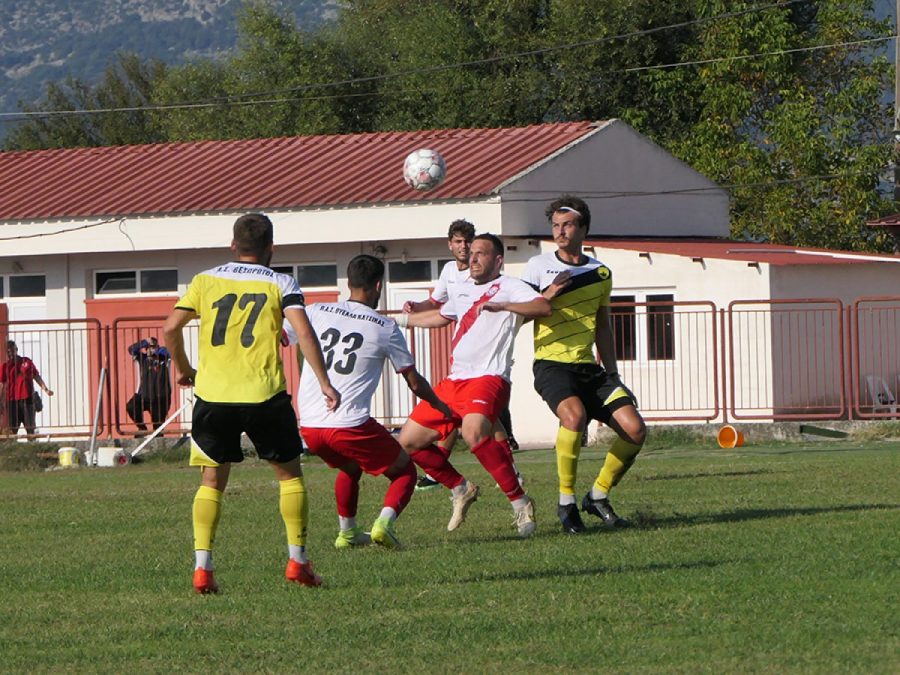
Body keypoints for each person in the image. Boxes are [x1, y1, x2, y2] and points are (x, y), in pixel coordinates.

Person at [163, 213, 341, 594]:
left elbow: (170, 327)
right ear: (271, 248)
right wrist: (324, 382)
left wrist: (184, 368)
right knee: (289, 475)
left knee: (212, 481)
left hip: (213, 396)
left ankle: (203, 569)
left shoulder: (204, 280)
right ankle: (298, 562)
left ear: (233, 245)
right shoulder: (280, 281)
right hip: (264, 395)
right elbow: (304, 331)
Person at [288, 254, 454, 550]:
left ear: (348, 283)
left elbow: (283, 336)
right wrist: (442, 407)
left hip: (310, 426)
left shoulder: (314, 311)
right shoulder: (384, 326)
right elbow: (413, 381)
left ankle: (348, 533)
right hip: (349, 424)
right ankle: (383, 526)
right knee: (405, 471)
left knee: (351, 467)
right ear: (378, 285)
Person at [396, 233, 551, 537]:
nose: (474, 258)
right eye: (473, 253)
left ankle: (520, 503)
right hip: (455, 379)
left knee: (473, 432)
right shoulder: (462, 288)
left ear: (498, 261)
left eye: (482, 254)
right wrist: (398, 321)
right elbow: (441, 317)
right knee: (408, 442)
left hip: (489, 377)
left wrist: (504, 306)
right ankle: (461, 487)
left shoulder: (511, 286)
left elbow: (544, 307)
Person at [522, 195, 646, 534]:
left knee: (635, 430)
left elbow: (603, 325)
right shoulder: (538, 266)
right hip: (551, 364)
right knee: (574, 416)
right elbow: (523, 313)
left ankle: (598, 496)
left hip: (590, 369)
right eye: (556, 226)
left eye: (568, 225)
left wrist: (614, 373)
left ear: (584, 229)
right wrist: (548, 294)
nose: (560, 232)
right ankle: (566, 504)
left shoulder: (600, 272)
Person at [403, 220, 520, 492]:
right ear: (450, 245)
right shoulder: (448, 272)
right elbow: (439, 305)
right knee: (478, 418)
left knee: (476, 422)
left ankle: (509, 478)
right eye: (458, 242)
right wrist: (413, 310)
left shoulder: (482, 276)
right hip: (463, 358)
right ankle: (453, 476)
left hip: (486, 359)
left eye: (469, 242)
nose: (465, 248)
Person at [0, 340, 53, 436]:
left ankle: (32, 446)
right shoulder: (5, 367)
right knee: (12, 430)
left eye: (12, 350)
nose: (10, 353)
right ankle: (12, 449)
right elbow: (1, 384)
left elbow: (36, 376)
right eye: (8, 352)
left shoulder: (26, 362)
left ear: (16, 349)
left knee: (30, 428)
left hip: (27, 399)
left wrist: (46, 389)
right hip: (12, 401)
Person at [125, 336, 172, 432]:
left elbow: (170, 352)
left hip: (160, 398)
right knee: (131, 406)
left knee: (158, 429)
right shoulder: (142, 359)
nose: (150, 350)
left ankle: (158, 439)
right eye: (148, 348)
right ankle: (142, 428)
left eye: (152, 347)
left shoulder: (164, 358)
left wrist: (157, 350)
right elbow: (131, 349)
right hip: (143, 396)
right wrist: (144, 342)